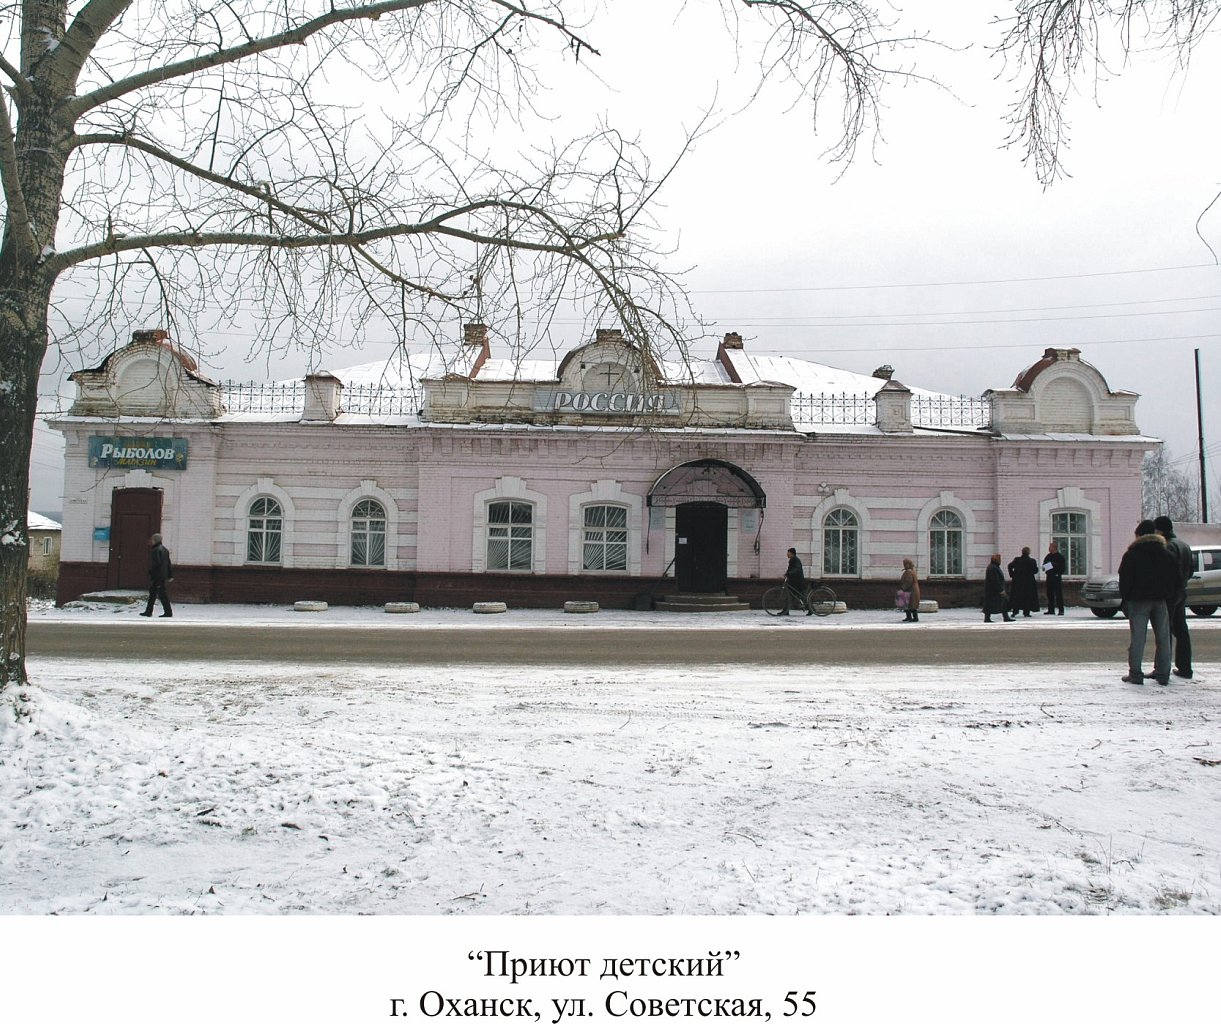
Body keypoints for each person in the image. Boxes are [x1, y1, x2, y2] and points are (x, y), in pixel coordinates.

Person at [1117, 519, 1179, 685]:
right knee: (1163, 638)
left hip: (1138, 601)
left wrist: (1126, 599)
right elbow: (1176, 578)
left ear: (1139, 535)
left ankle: (1135, 674)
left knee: (1138, 638)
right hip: (1160, 601)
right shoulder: (1167, 554)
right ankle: (1163, 674)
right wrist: (1168, 595)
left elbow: (1125, 579)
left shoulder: (1132, 554)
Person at [1154, 515, 1193, 680]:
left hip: (1170, 593)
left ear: (1160, 530)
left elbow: (1167, 572)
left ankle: (1162, 667)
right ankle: (1185, 667)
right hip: (1182, 590)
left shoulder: (1168, 547)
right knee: (1181, 630)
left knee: (1165, 631)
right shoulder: (1184, 545)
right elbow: (1189, 570)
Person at [140, 533, 174, 618]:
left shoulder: (156, 550)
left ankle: (167, 612)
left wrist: (151, 572)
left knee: (161, 594)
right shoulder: (165, 550)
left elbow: (156, 563)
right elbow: (168, 564)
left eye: (152, 540)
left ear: (155, 540)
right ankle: (149, 611)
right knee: (153, 593)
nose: (151, 541)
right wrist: (170, 575)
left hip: (157, 576)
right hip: (162, 576)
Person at [1007, 546, 1041, 617]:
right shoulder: (1032, 561)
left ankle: (1015, 611)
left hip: (1018, 582)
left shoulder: (1017, 560)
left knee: (1017, 597)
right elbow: (1035, 571)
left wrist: (1012, 574)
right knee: (1027, 597)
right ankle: (1026, 612)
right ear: (1029, 553)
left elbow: (1010, 566)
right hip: (1029, 582)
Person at [983, 553, 1012, 622]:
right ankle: (988, 618)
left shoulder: (993, 567)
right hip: (994, 590)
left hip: (992, 589)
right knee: (993, 604)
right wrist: (1001, 590)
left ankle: (1005, 617)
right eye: (999, 559)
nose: (1000, 561)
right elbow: (995, 580)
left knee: (1001, 603)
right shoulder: (993, 568)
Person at [780, 547, 809, 616]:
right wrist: (787, 573)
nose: (787, 554)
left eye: (788, 553)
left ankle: (811, 609)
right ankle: (785, 611)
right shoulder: (792, 560)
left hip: (797, 581)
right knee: (790, 596)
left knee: (801, 596)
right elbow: (790, 569)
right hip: (794, 581)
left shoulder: (796, 560)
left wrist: (789, 573)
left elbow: (796, 569)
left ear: (792, 554)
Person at [1042, 541, 1066, 615]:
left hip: (1056, 577)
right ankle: (1051, 610)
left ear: (1054, 548)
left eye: (1050, 547)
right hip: (1049, 577)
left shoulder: (1060, 557)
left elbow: (1062, 568)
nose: (1049, 548)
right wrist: (1047, 566)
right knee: (1049, 594)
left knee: (1058, 594)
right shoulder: (1048, 556)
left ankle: (1061, 610)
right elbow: (1044, 566)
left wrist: (1054, 567)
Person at [898, 558, 921, 623]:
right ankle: (909, 617)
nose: (904, 566)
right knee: (908, 605)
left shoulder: (909, 572)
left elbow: (908, 581)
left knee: (912, 605)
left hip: (911, 591)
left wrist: (903, 588)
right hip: (911, 590)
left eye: (905, 564)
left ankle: (915, 618)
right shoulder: (911, 571)